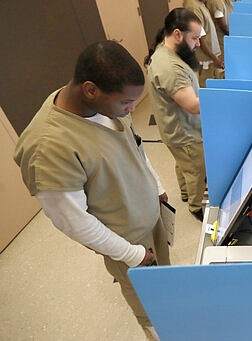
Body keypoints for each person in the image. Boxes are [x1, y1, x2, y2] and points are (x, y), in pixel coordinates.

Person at [13, 40, 170, 340]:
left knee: (165, 288)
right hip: (127, 242)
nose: (133, 109)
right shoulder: (49, 147)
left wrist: (156, 185)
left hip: (150, 217)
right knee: (150, 309)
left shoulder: (108, 102)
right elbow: (74, 222)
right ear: (90, 89)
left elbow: (134, 146)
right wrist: (132, 254)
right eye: (126, 103)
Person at [145, 8, 206, 222]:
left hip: (174, 130)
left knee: (184, 164)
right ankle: (196, 206)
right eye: (195, 38)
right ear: (178, 34)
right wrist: (219, 99)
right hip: (186, 132)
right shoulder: (171, 67)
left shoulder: (164, 51)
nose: (198, 44)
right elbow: (193, 106)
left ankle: (185, 192)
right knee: (196, 170)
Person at [184, 0, 224, 87]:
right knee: (206, 86)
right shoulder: (193, 7)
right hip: (205, 57)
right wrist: (214, 58)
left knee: (213, 83)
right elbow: (200, 39)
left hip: (210, 55)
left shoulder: (200, 4)